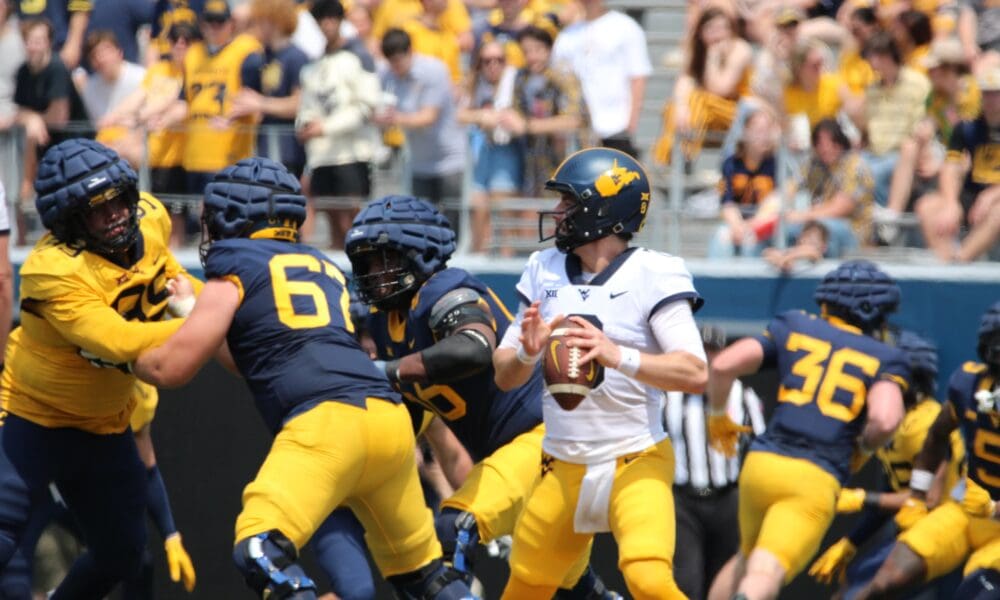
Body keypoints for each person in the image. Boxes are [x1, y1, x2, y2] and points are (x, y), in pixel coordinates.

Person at [130, 157, 474, 600]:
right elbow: (253, 356)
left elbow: (168, 368)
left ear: (229, 216)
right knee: (426, 577)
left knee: (260, 549)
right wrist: (191, 313)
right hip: (386, 421)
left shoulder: (235, 263)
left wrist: (116, 348)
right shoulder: (321, 265)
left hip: (325, 428)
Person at [344, 194, 618, 599]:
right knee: (567, 587)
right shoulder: (387, 325)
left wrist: (388, 371)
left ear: (417, 255)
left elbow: (473, 347)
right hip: (522, 455)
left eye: (382, 259)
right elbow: (410, 414)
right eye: (366, 262)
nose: (372, 272)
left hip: (545, 438)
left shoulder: (443, 289)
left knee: (457, 530)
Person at [493, 147, 709, 599]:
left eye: (567, 202)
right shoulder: (543, 269)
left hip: (635, 457)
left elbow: (694, 372)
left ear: (604, 208)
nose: (556, 213)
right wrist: (528, 355)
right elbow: (504, 375)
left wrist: (618, 357)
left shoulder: (654, 272)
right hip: (561, 461)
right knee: (525, 584)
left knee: (647, 576)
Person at [0, 138, 201, 597]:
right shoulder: (52, 271)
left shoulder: (150, 217)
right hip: (34, 417)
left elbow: (174, 280)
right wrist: (203, 322)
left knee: (124, 553)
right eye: (97, 210)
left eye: (118, 201)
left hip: (104, 426)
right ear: (70, 221)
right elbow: (120, 341)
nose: (115, 215)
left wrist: (198, 302)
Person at [705, 259, 909, 600]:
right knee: (765, 569)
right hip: (814, 475)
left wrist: (715, 415)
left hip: (762, 464)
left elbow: (724, 364)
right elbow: (886, 419)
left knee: (746, 556)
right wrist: (866, 448)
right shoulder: (885, 357)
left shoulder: (795, 324)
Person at [809, 331, 967, 600]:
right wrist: (852, 541)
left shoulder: (923, 425)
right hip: (908, 530)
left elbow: (929, 499)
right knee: (852, 584)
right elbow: (891, 489)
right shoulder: (897, 422)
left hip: (941, 534)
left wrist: (861, 498)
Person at [896, 301, 1000, 598]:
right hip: (966, 511)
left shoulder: (919, 420)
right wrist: (915, 497)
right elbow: (937, 441)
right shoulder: (971, 385)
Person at [665, 324, 766, 600]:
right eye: (702, 350)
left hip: (727, 499)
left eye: (713, 350)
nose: (708, 358)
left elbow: (761, 445)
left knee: (725, 582)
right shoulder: (669, 393)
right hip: (683, 501)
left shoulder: (742, 396)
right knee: (685, 581)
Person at [297, 0, 380, 249]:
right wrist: (303, 125)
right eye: (321, 19)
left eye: (332, 17)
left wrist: (326, 127)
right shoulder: (313, 64)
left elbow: (367, 106)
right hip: (323, 156)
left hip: (351, 154)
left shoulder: (359, 56)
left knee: (353, 224)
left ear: (341, 21)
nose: (327, 24)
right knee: (332, 222)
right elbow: (306, 105)